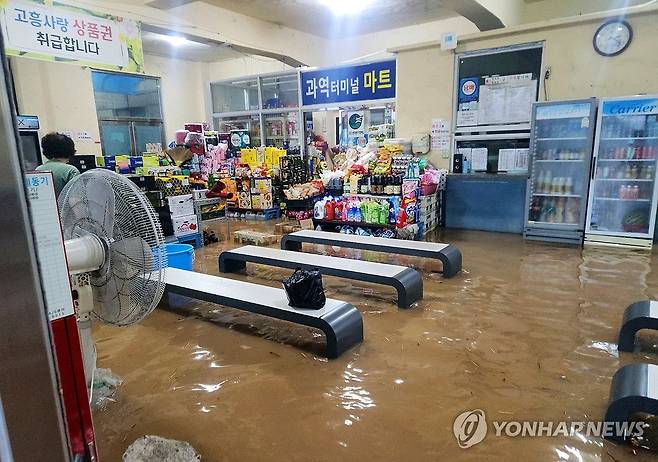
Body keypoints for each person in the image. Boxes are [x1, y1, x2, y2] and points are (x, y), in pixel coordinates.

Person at [35, 132, 80, 196]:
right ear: (70, 150)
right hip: (64, 206)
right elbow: (76, 197)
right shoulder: (71, 171)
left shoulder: (38, 169)